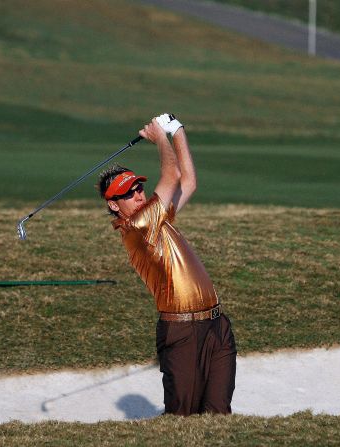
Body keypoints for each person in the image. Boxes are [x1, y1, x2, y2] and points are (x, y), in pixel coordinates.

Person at [96, 113, 237, 416]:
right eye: (127, 193)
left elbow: (189, 182)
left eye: (138, 187)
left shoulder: (157, 217)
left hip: (216, 325)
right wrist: (160, 138)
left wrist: (177, 130)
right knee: (182, 417)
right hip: (181, 331)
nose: (137, 194)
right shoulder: (137, 227)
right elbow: (171, 178)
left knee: (219, 416)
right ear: (113, 205)